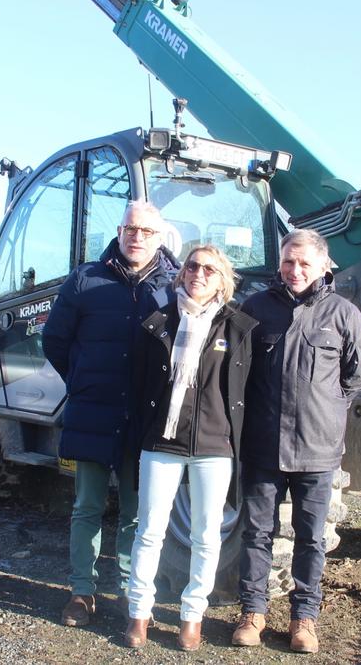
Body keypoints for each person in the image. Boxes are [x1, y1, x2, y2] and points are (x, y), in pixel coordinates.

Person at [42, 200, 178, 628]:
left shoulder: (174, 286)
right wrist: (83, 380)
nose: (137, 237)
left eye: (146, 231)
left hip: (144, 417)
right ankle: (82, 592)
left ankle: (129, 595)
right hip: (94, 410)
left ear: (160, 237)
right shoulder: (85, 279)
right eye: (130, 229)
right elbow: (55, 341)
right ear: (119, 232)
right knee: (88, 506)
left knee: (137, 513)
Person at [232, 229, 361, 654]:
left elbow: (354, 378)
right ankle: (253, 614)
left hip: (318, 450)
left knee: (311, 538)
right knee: (256, 533)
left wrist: (322, 412)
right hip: (264, 446)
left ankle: (304, 619)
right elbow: (240, 371)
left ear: (324, 267)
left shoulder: (345, 315)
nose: (295, 270)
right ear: (280, 263)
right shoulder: (255, 309)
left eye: (305, 263)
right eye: (289, 261)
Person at [124, 245, 257, 651]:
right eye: (193, 267)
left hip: (215, 448)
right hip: (162, 444)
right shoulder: (157, 323)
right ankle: (138, 613)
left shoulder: (238, 328)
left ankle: (192, 616)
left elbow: (245, 389)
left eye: (210, 269)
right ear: (182, 274)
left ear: (223, 280)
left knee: (206, 536)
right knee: (149, 532)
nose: (199, 274)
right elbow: (140, 383)